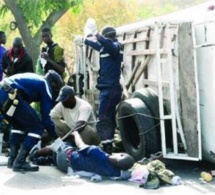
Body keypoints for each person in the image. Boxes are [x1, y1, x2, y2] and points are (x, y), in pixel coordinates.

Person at [0, 70, 64, 172]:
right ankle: (20, 161)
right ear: (53, 82)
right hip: (10, 94)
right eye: (56, 87)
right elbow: (46, 119)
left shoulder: (35, 79)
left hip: (3, 91)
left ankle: (12, 160)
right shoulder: (45, 84)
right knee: (37, 127)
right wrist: (58, 139)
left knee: (19, 125)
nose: (55, 90)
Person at [75, 19, 123, 153]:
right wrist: (84, 40)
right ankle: (108, 144)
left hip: (110, 89)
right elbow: (97, 45)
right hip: (108, 88)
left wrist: (96, 34)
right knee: (109, 116)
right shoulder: (106, 47)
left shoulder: (117, 46)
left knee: (103, 117)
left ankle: (107, 146)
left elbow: (106, 44)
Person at [30, 131, 135, 180]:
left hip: (65, 157)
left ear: (120, 154)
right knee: (58, 154)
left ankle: (34, 153)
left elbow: (80, 145)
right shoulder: (115, 172)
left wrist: (76, 134)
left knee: (56, 146)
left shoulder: (96, 153)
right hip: (67, 167)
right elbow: (126, 173)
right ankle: (46, 159)